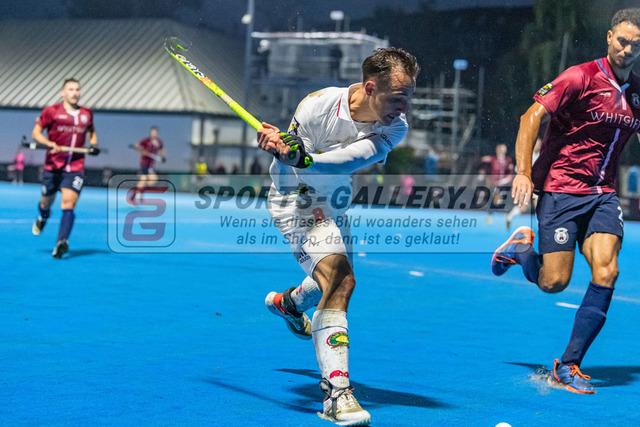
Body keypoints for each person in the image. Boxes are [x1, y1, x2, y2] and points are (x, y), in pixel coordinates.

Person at [257, 47, 419, 425]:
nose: (404, 108)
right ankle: (336, 393)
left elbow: (354, 158)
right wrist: (281, 153)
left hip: (333, 202)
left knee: (329, 282)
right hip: (296, 201)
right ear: (370, 88)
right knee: (341, 281)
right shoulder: (317, 107)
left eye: (408, 97)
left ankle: (289, 304)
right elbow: (287, 175)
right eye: (397, 97)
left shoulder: (395, 126)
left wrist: (304, 158)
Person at [491, 8, 640, 395]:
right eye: (623, 41)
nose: (628, 49)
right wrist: (523, 172)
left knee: (607, 272)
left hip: (603, 195)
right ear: (609, 37)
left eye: (636, 45)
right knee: (554, 282)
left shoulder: (637, 93)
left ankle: (568, 364)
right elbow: (530, 118)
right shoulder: (579, 77)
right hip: (561, 190)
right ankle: (521, 250)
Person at [31, 77, 100, 258]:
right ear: (63, 92)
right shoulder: (51, 111)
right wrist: (49, 143)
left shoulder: (86, 114)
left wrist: (93, 144)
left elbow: (91, 131)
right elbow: (36, 133)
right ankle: (43, 217)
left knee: (69, 204)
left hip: (75, 167)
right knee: (45, 203)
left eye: (77, 89)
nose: (75, 93)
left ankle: (62, 242)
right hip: (53, 166)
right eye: (71, 89)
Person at [481, 143, 514, 224]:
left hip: (505, 184)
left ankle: (492, 213)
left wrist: (505, 180)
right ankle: (491, 213)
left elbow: (510, 172)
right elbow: (485, 160)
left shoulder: (507, 160)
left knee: (500, 201)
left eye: (504, 149)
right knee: (498, 200)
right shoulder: (494, 160)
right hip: (496, 184)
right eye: (501, 149)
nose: (503, 151)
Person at [130, 126, 165, 203]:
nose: (154, 133)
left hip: (151, 165)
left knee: (152, 180)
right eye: (153, 132)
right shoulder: (146, 140)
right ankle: (133, 197)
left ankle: (140, 192)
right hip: (144, 164)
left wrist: (163, 157)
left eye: (155, 132)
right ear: (151, 132)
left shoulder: (159, 142)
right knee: (143, 180)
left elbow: (162, 150)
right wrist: (142, 151)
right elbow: (136, 147)